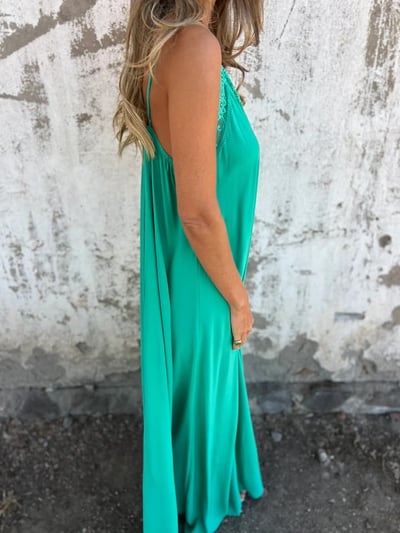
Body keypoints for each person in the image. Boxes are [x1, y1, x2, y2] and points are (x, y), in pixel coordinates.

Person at [113, 1, 266, 531]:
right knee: (206, 393)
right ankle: (203, 500)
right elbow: (197, 213)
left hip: (190, 271)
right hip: (205, 279)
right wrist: (238, 299)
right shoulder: (195, 47)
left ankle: (196, 486)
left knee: (200, 392)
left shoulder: (170, 43)